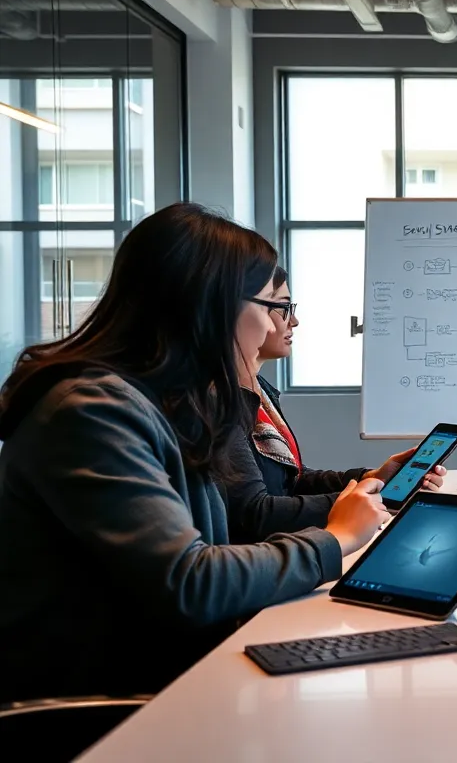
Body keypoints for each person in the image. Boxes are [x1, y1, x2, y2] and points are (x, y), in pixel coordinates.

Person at [0, 203, 390, 703]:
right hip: (109, 705)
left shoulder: (170, 406)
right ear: (212, 307)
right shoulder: (91, 413)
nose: (275, 327)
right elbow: (191, 583)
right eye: (270, 305)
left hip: (174, 675)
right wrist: (334, 539)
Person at [223, 265, 446, 543]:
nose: (293, 321)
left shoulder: (260, 393)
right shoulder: (222, 402)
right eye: (282, 307)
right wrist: (364, 499)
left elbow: (290, 482)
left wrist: (373, 478)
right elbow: (255, 513)